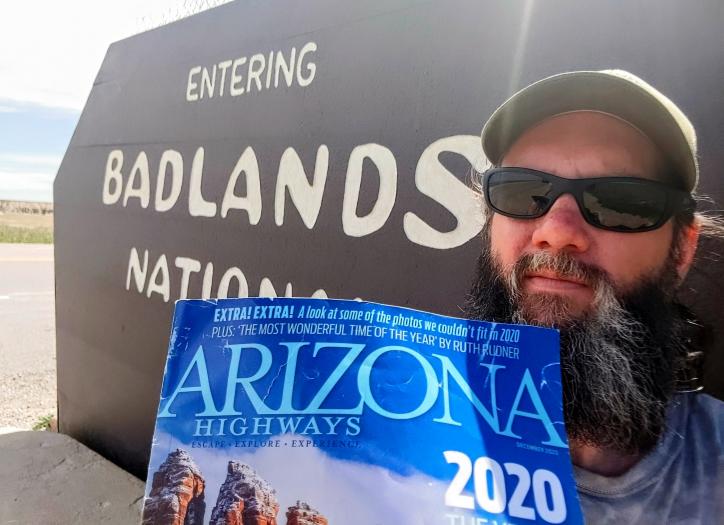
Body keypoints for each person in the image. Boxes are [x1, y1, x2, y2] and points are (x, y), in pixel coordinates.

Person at [466, 70, 723, 523]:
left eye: (620, 201)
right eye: (523, 191)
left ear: (682, 248)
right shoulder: (385, 429)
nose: (557, 232)